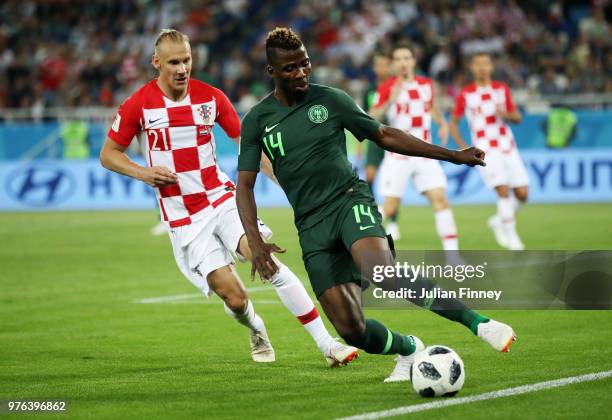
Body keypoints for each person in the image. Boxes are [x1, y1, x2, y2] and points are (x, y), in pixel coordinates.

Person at [236, 27, 516, 383]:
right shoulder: (258, 120)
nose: (301, 73)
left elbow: (383, 134)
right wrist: (255, 242)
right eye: (290, 68)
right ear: (271, 72)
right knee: (351, 330)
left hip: (348, 200)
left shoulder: (331, 100)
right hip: (310, 225)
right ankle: (408, 348)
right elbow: (244, 185)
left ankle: (480, 323)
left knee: (382, 270)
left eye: (305, 64)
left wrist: (452, 156)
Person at [99, 29, 358, 367]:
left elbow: (246, 145)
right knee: (234, 298)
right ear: (156, 63)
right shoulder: (139, 104)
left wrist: (288, 183)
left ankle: (328, 345)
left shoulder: (211, 98)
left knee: (267, 261)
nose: (181, 68)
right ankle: (256, 327)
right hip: (184, 217)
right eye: (173, 62)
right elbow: (109, 154)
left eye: (186, 61)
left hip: (222, 199)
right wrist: (142, 172)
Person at [370, 44, 460, 259]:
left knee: (440, 199)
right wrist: (391, 98)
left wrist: (442, 123)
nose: (403, 62)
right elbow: (372, 116)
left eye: (407, 57)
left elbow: (431, 107)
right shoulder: (386, 88)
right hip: (398, 155)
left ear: (413, 62)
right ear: (393, 64)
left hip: (425, 154)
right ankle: (359, 244)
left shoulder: (426, 84)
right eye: (398, 58)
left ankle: (453, 257)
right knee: (389, 209)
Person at [450, 52, 529, 250]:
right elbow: (453, 123)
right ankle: (512, 239)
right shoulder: (466, 94)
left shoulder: (501, 89)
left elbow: (518, 118)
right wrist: (463, 147)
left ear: (491, 67)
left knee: (522, 194)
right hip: (486, 151)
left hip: (508, 147)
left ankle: (498, 221)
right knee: (502, 189)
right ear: (472, 68)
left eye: (486, 64)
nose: (482, 68)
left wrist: (506, 113)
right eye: (478, 64)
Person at [363, 52, 392, 193]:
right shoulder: (369, 90)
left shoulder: (396, 87)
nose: (381, 68)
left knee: (393, 178)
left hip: (394, 137)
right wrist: (360, 147)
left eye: (384, 65)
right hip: (375, 138)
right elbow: (362, 118)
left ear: (390, 66)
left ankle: (392, 214)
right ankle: (372, 208)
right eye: (378, 65)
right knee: (369, 174)